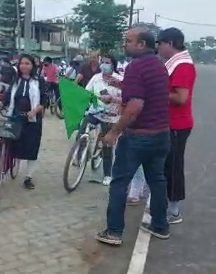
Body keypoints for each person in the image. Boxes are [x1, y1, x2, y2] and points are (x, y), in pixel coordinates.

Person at [97, 28, 171, 246]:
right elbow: (149, 94)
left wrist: (114, 131)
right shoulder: (158, 65)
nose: (124, 44)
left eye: (128, 41)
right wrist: (121, 85)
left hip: (139, 136)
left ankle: (114, 232)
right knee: (157, 180)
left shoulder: (136, 67)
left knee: (119, 182)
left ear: (141, 45)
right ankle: (160, 225)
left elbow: (136, 105)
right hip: (161, 134)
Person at [157, 27, 196, 224]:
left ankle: (173, 212)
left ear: (170, 44)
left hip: (177, 124)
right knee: (167, 165)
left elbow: (181, 97)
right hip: (171, 122)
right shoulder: (174, 64)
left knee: (172, 166)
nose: (158, 48)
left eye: (160, 43)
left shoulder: (182, 65)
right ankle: (167, 206)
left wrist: (155, 93)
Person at [0, 54, 46, 190]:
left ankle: (28, 177)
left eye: (27, 63)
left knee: (31, 148)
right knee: (7, 142)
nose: (23, 66)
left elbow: (44, 101)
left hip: (32, 119)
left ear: (32, 66)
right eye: (21, 63)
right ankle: (2, 168)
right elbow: (7, 97)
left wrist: (35, 111)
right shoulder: (15, 80)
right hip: (14, 117)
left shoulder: (39, 81)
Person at [84, 55, 122, 186]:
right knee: (83, 127)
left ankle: (107, 174)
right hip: (95, 112)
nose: (104, 65)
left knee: (107, 144)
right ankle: (79, 153)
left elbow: (125, 100)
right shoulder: (96, 78)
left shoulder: (120, 80)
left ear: (113, 65)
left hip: (110, 116)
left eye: (107, 63)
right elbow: (87, 92)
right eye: (103, 62)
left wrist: (115, 102)